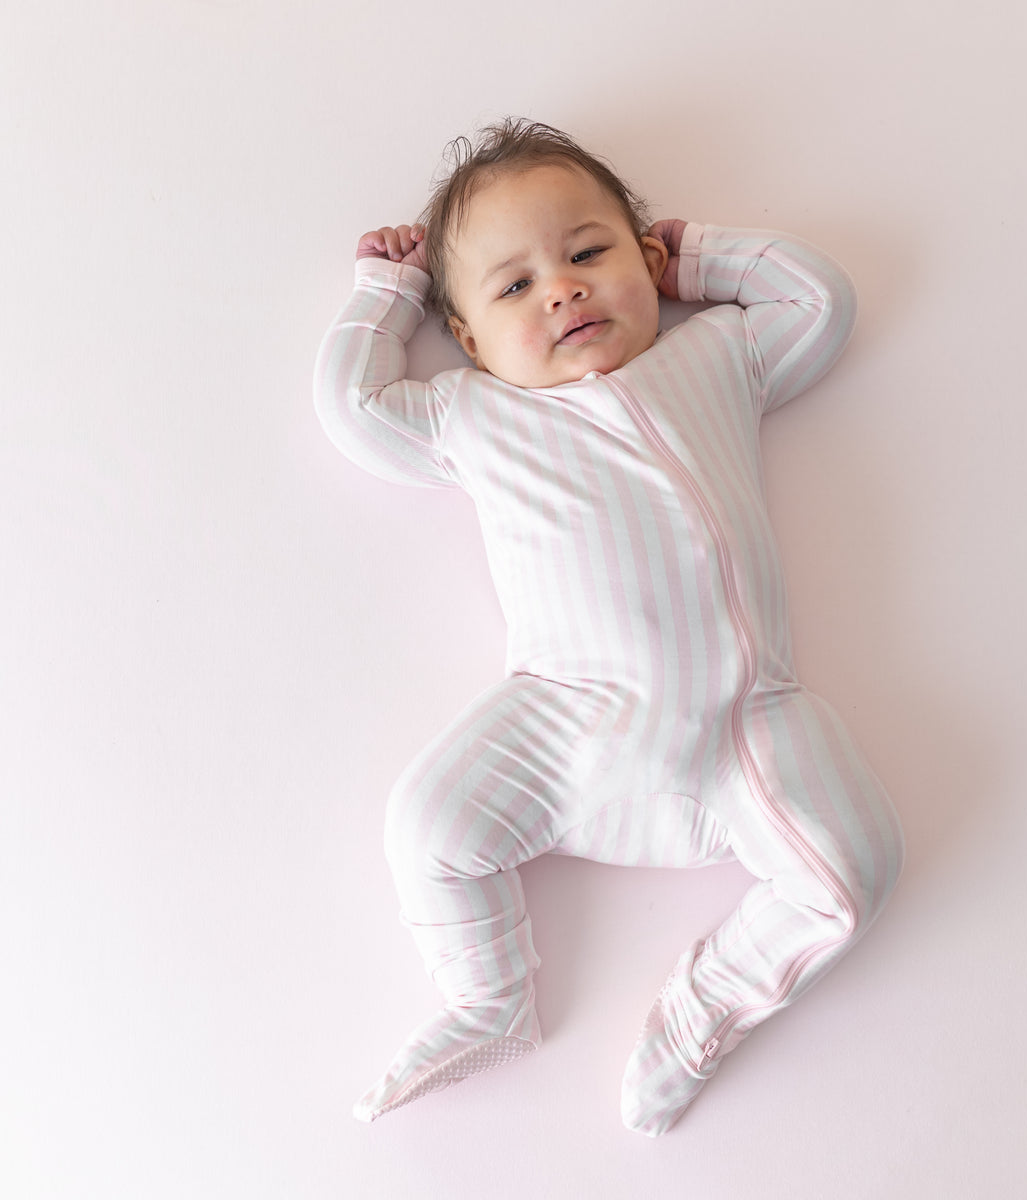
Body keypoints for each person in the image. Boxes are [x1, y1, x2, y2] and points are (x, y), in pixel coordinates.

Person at [313, 118, 904, 1137]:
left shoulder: (714, 358)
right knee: (429, 825)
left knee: (854, 869)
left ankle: (700, 1013)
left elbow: (819, 300)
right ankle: (487, 999)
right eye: (513, 288)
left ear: (646, 261)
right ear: (468, 338)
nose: (562, 289)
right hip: (566, 716)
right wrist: (386, 293)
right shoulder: (473, 415)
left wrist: (701, 258)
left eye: (590, 252)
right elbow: (354, 407)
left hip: (746, 724)